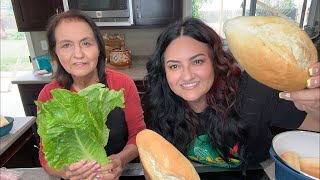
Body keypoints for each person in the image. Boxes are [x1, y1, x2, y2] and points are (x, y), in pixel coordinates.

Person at [144, 17, 319, 175]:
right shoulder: (159, 103)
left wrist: (316, 106)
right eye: (174, 66)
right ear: (164, 72)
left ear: (215, 61)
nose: (187, 76)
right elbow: (153, 163)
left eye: (197, 61)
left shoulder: (255, 92)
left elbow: (316, 124)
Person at [37, 10, 146, 180]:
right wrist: (65, 171)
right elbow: (46, 154)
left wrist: (121, 160)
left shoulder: (122, 84)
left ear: (99, 47)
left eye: (86, 43)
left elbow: (139, 135)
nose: (78, 54)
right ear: (55, 52)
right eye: (66, 45)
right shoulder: (49, 96)